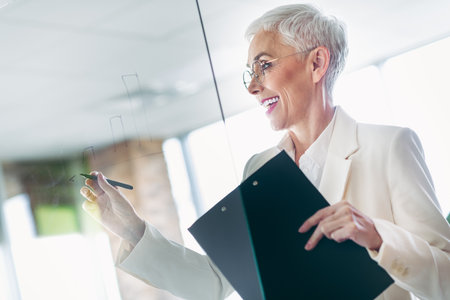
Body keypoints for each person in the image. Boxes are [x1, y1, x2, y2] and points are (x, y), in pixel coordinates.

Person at [80, 4, 450, 300]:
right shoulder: (261, 168)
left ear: (317, 63)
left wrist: (377, 237)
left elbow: (446, 279)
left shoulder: (388, 146)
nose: (253, 86)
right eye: (249, 73)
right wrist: (130, 229)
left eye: (265, 66)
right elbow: (215, 284)